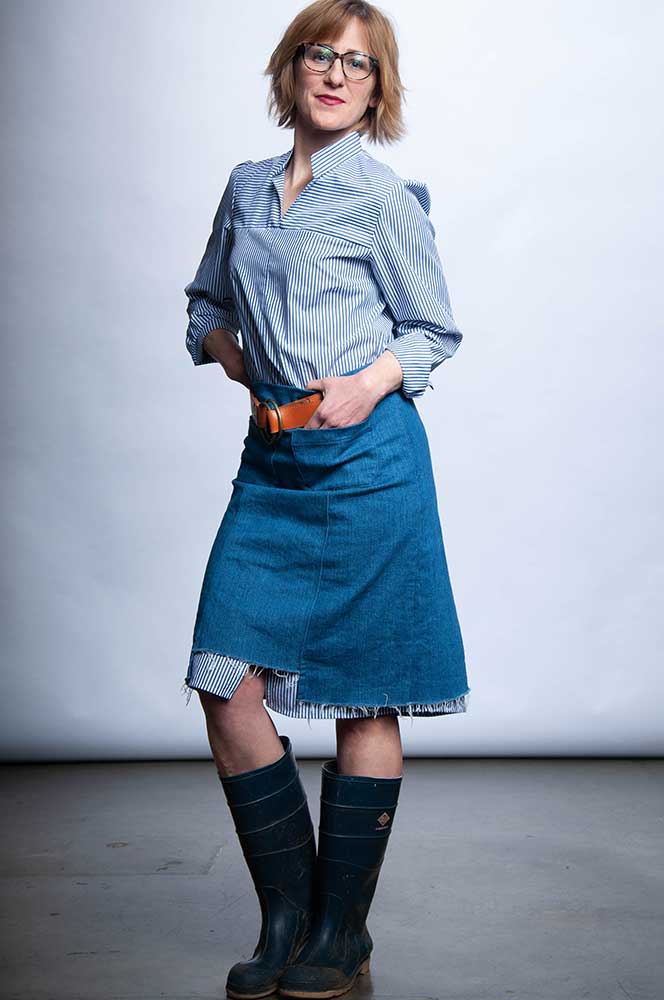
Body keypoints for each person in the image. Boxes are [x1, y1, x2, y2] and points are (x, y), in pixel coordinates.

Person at [181, 1, 471, 997]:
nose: (338, 74)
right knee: (224, 678)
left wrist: (371, 379)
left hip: (371, 468)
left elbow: (433, 330)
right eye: (322, 54)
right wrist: (236, 359)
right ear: (291, 67)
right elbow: (206, 303)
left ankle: (341, 932)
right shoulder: (245, 186)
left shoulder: (381, 198)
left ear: (377, 87)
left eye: (360, 63)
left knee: (364, 691)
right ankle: (286, 918)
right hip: (274, 467)